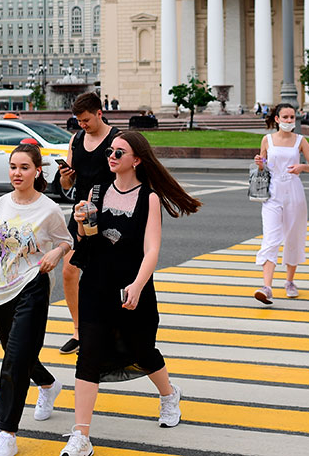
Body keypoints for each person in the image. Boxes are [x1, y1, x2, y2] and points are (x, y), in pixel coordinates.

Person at [62, 132, 201, 456]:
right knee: (89, 355)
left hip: (131, 285)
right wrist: (81, 223)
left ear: (136, 160)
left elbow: (152, 249)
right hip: (96, 284)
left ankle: (169, 395)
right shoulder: (97, 190)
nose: (111, 156)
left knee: (141, 349)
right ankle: (81, 436)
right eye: (111, 151)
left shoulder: (148, 197)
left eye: (119, 152)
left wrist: (138, 285)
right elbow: (87, 241)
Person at [0, 144, 73, 456]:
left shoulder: (48, 209)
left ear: (37, 171)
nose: (17, 173)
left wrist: (55, 253)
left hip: (33, 285)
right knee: (18, 354)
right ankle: (47, 384)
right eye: (13, 167)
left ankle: (6, 434)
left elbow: (66, 241)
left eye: (24, 167)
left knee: (14, 359)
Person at [56, 92, 121, 356]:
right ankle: (78, 330)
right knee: (69, 271)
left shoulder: (117, 139)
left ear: (99, 113)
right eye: (78, 120)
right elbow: (66, 185)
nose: (82, 124)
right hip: (81, 213)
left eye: (86, 120)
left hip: (110, 213)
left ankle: (112, 331)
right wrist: (65, 176)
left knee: (106, 275)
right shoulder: (76, 139)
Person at [252, 103, 309, 304]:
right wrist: (260, 163)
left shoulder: (300, 140)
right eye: (286, 117)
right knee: (271, 238)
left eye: (292, 117)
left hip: (294, 192)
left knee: (293, 236)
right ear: (277, 119)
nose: (290, 121)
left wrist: (302, 167)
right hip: (272, 193)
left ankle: (289, 281)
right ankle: (267, 287)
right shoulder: (267, 140)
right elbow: (263, 167)